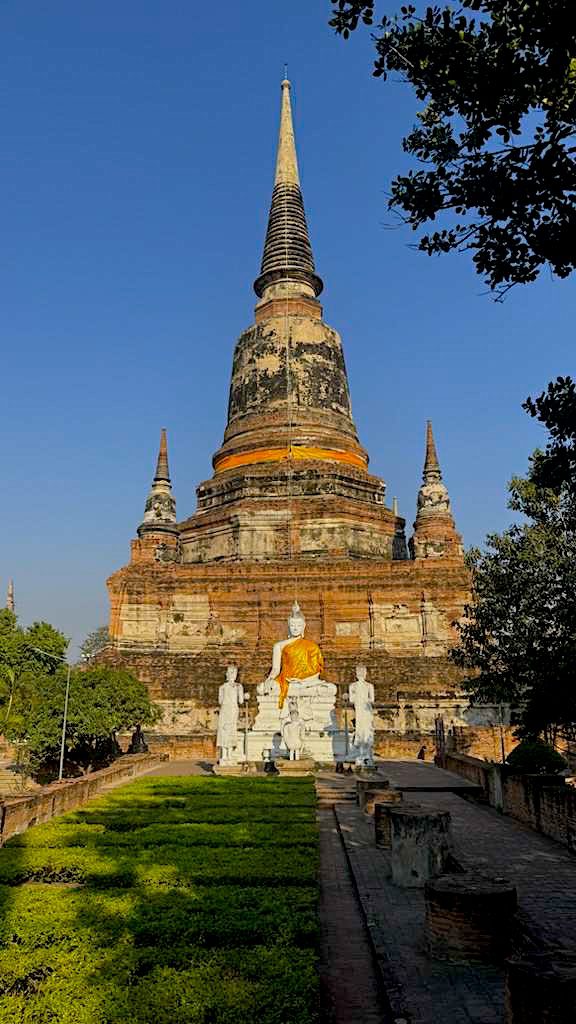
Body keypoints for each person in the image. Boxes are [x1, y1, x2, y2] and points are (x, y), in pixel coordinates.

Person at [216, 664, 244, 763]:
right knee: (225, 730)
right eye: (231, 672)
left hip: (230, 709)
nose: (232, 674)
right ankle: (224, 755)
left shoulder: (237, 687)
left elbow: (240, 701)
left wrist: (243, 695)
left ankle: (229, 755)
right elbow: (220, 701)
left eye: (234, 672)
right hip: (227, 709)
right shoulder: (224, 687)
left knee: (230, 730)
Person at [348, 664, 375, 766]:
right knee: (360, 730)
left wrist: (361, 699)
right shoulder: (353, 686)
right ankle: (360, 755)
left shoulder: (369, 686)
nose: (361, 673)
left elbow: (371, 699)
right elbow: (351, 700)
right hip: (359, 710)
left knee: (367, 730)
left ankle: (367, 755)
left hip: (366, 710)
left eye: (362, 671)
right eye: (359, 671)